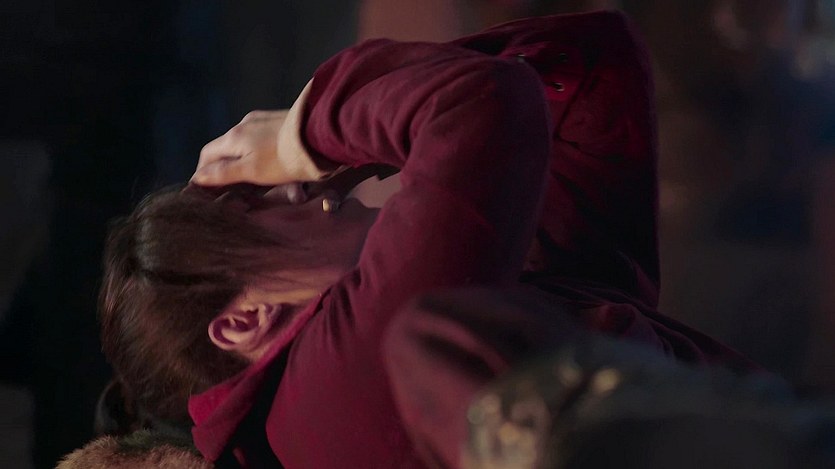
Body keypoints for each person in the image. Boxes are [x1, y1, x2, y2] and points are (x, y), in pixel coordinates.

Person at [99, 10, 757, 468]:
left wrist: (348, 139)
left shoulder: (394, 344)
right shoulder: (340, 386)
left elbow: (586, 67)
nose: (287, 186)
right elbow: (487, 103)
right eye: (250, 209)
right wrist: (308, 131)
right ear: (242, 320)